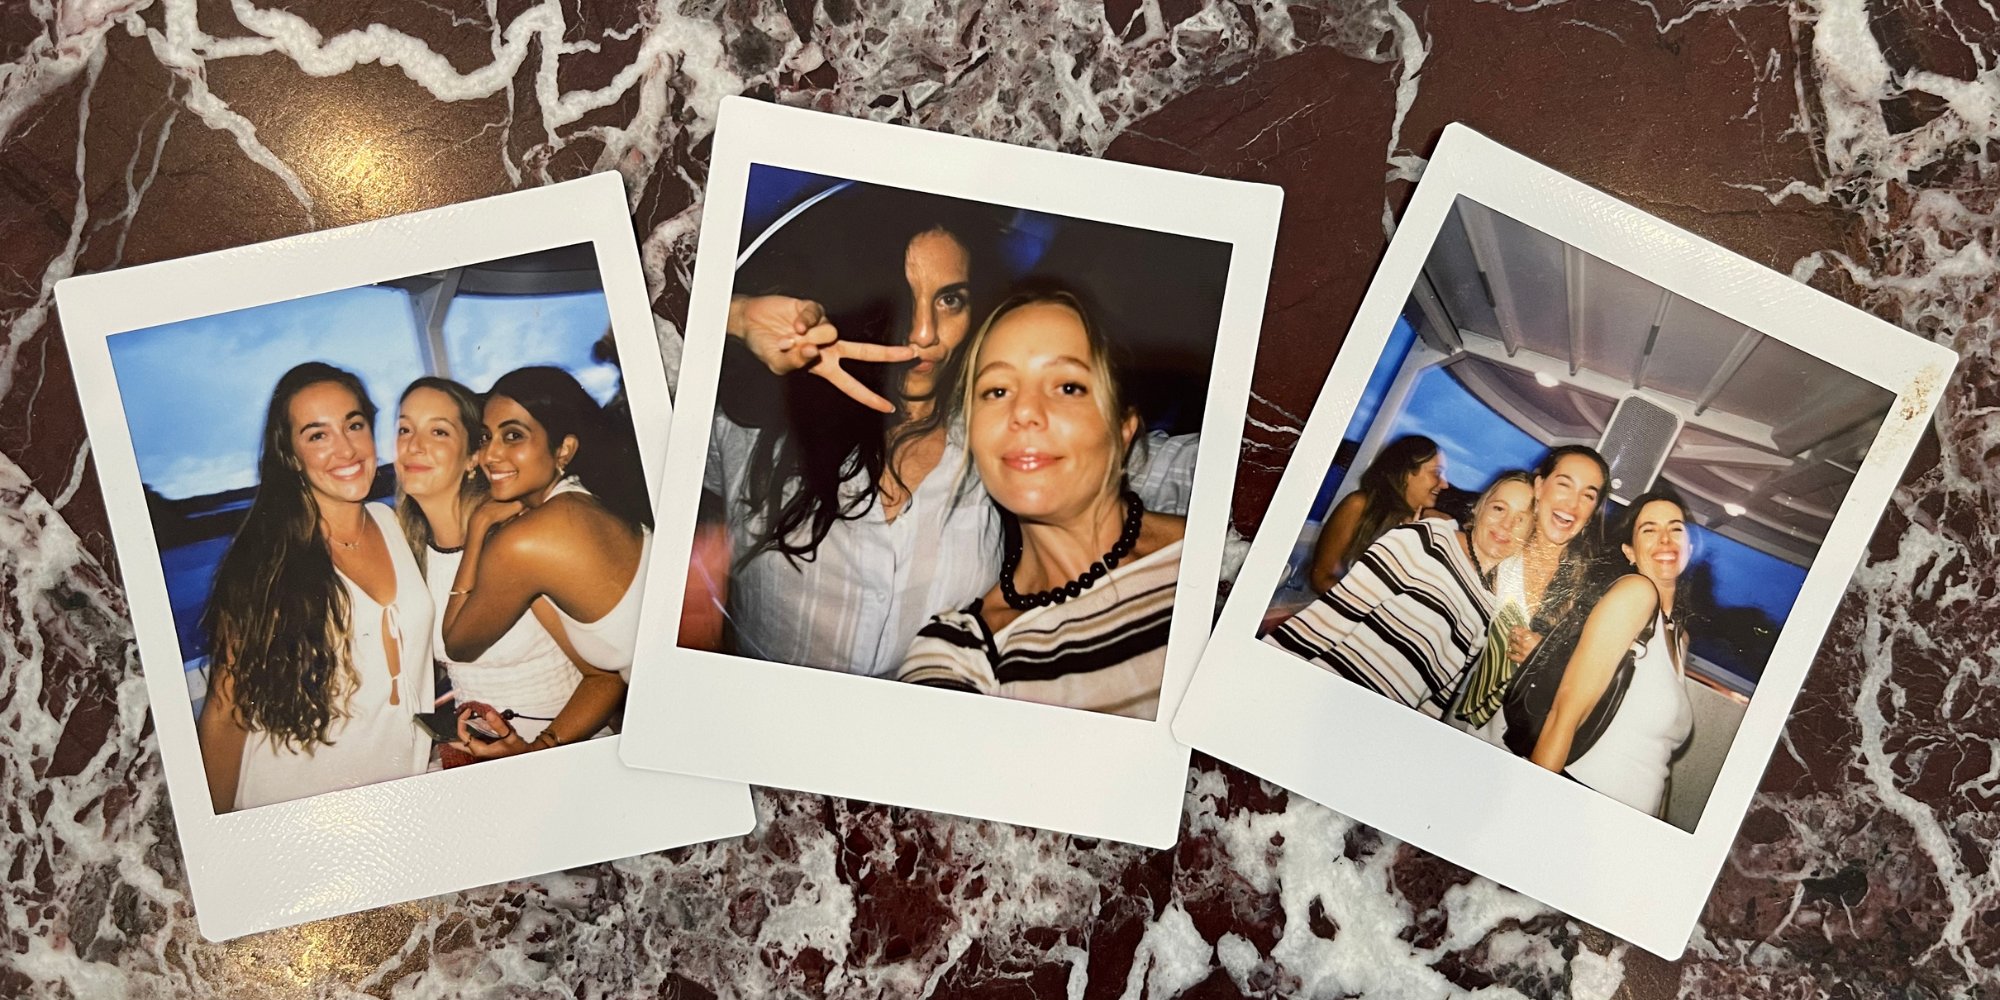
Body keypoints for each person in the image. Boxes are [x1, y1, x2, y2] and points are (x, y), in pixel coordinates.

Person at [704, 188, 1199, 677]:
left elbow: (1193, 469)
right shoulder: (753, 424)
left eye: (949, 300)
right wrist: (733, 314)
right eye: (902, 298)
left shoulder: (1002, 435)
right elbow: (655, 392)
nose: (924, 332)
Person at [896, 291, 1184, 719]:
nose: (1024, 412)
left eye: (1068, 387)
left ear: (1124, 428)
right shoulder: (961, 652)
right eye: (997, 390)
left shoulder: (1227, 563)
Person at [196, 363, 433, 813]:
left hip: (400, 795)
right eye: (318, 435)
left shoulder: (391, 522)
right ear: (290, 454)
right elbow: (225, 716)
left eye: (354, 425)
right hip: (290, 809)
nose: (346, 449)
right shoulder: (266, 563)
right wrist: (215, 836)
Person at [392, 377, 623, 760]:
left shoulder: (514, 542)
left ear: (473, 457)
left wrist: (536, 750)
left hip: (565, 751)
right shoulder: (407, 551)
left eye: (438, 431)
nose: (414, 446)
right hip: (478, 755)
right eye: (404, 429)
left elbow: (605, 678)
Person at [441, 367, 651, 753]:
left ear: (564, 449)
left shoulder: (529, 539)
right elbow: (603, 675)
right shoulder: (590, 502)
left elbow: (458, 644)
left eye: (513, 436)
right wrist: (540, 748)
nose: (489, 455)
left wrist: (478, 528)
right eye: (486, 437)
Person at [1264, 471, 1534, 718]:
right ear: (1478, 508)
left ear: (1531, 532)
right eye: (1499, 508)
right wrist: (1268, 674)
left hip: (1384, 723)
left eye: (1521, 519)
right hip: (1324, 693)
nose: (1506, 524)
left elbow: (1442, 691)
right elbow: (1334, 612)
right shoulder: (1426, 540)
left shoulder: (1494, 603)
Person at [1523, 489, 1695, 817]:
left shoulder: (1679, 637)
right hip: (1580, 804)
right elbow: (1565, 712)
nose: (1665, 539)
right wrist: (1528, 809)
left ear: (1689, 546)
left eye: (1675, 529)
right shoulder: (1635, 593)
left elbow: (1659, 764)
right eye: (1649, 530)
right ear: (1630, 551)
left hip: (1629, 824)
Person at [1451, 445, 1611, 743]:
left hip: (1516, 743)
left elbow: (1592, 687)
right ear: (1539, 486)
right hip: (1446, 718)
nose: (1573, 503)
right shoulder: (1497, 551)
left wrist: (1547, 661)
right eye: (1564, 484)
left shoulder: (1592, 593)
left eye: (1588, 495)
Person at [1307, 435, 1447, 593]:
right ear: (1405, 473)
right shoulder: (1359, 505)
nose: (1444, 484)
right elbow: (1322, 578)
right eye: (1437, 473)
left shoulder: (1422, 526)